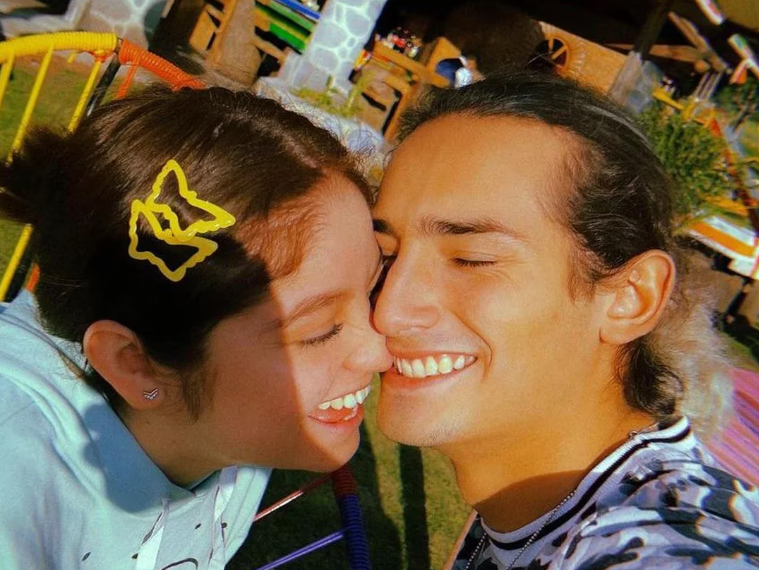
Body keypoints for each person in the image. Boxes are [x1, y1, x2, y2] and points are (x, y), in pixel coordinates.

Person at [371, 70, 759, 569]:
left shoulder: (669, 547)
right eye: (385, 253)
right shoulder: (534, 508)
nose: (388, 310)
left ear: (629, 298)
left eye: (471, 259)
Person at [0, 86, 391, 569]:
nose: (380, 351)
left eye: (372, 290)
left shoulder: (230, 431)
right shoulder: (13, 485)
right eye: (320, 331)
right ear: (135, 364)